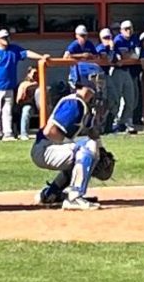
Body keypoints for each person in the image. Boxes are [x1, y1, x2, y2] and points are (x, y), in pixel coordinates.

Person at [31, 62, 105, 210]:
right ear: (84, 80)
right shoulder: (74, 103)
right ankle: (75, 197)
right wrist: (76, 144)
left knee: (88, 147)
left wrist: (99, 149)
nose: (99, 81)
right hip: (45, 149)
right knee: (85, 148)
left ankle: (51, 194)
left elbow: (90, 134)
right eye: (95, 78)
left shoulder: (84, 103)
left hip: (48, 148)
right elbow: (49, 132)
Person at [0, 29, 49, 141]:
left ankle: (7, 134)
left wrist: (41, 57)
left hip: (9, 87)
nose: (7, 40)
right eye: (4, 38)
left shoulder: (14, 50)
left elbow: (27, 53)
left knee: (7, 112)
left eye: (7, 37)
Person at [111, 19, 140, 133]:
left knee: (131, 99)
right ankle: (114, 123)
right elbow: (119, 57)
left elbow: (137, 56)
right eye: (126, 29)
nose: (128, 31)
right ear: (121, 30)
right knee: (116, 99)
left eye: (130, 28)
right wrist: (128, 55)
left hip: (127, 71)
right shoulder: (118, 40)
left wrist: (127, 56)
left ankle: (125, 121)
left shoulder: (134, 39)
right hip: (117, 71)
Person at [95, 27, 120, 133]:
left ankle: (108, 125)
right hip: (99, 76)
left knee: (115, 100)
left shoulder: (111, 49)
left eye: (109, 37)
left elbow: (118, 59)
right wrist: (112, 49)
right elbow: (107, 59)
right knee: (101, 102)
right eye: (105, 38)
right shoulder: (100, 48)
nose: (108, 39)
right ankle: (100, 126)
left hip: (107, 75)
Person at [16, 66, 39, 141]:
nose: (35, 75)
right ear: (29, 74)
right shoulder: (24, 84)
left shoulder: (41, 83)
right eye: (34, 73)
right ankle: (24, 133)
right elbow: (18, 100)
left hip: (39, 105)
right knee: (26, 110)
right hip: (29, 105)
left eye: (37, 73)